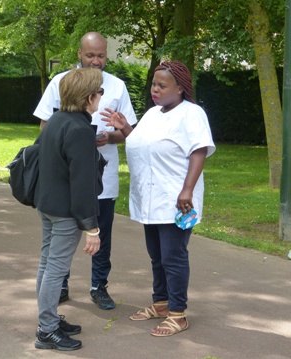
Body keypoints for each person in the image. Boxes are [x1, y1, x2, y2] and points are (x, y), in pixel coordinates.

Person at [101, 60, 215, 337]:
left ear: (180, 88)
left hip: (176, 198)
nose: (155, 89)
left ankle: (178, 314)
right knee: (157, 256)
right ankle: (161, 303)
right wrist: (125, 127)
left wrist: (187, 190)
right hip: (150, 198)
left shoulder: (192, 113)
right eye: (153, 84)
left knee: (173, 256)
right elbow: (140, 142)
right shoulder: (153, 114)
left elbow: (198, 151)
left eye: (162, 86)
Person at [33, 32, 137, 310]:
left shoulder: (118, 86)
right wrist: (76, 141)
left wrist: (109, 137)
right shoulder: (61, 81)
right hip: (68, 177)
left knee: (101, 234)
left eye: (101, 55)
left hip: (103, 175)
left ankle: (98, 286)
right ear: (79, 54)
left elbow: (126, 130)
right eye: (90, 55)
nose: (96, 60)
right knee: (60, 245)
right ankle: (60, 287)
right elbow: (46, 127)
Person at [34, 68, 103, 351]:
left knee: (47, 263)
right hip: (65, 212)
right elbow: (83, 183)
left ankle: (47, 320)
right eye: (99, 92)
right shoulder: (79, 130)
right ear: (89, 98)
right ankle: (46, 330)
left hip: (47, 205)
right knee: (56, 269)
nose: (101, 96)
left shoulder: (55, 121)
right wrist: (92, 229)